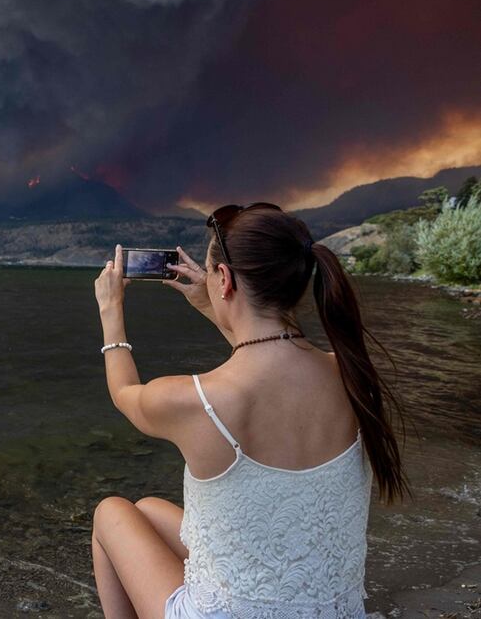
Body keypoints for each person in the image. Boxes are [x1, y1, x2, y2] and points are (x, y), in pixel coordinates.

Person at [90, 203, 412, 619]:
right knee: (148, 509)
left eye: (212, 276)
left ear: (223, 279)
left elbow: (125, 392)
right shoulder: (354, 374)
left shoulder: (199, 401)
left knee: (111, 513)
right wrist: (215, 307)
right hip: (334, 613)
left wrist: (110, 309)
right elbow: (267, 361)